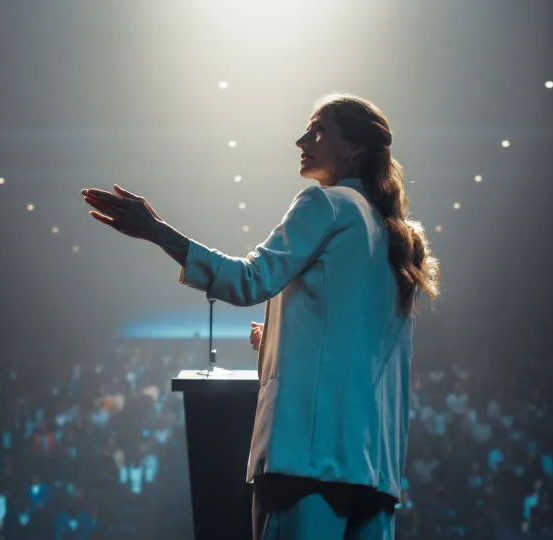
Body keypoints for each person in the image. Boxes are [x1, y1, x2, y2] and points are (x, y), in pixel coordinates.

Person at [82, 92, 440, 540]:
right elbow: (354, 341)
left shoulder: (326, 204)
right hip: (375, 475)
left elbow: (248, 280)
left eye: (317, 130)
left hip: (306, 465)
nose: (301, 140)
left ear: (354, 148)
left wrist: (157, 231)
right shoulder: (398, 238)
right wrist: (276, 335)